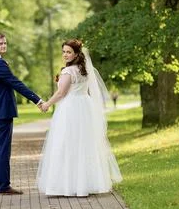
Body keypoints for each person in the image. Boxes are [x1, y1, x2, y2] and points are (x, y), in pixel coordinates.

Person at [37, 39, 122, 196]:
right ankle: (85, 184)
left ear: (76, 54)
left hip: (70, 109)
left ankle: (66, 185)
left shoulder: (68, 72)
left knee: (66, 143)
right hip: (84, 107)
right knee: (83, 144)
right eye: (64, 52)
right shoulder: (85, 70)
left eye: (69, 52)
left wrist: (47, 104)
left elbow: (61, 93)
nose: (65, 55)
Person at [0, 32, 44, 195]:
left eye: (5, 43)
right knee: (2, 149)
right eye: (0, 43)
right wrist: (37, 100)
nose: (3, 46)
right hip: (1, 113)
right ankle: (3, 186)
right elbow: (16, 84)